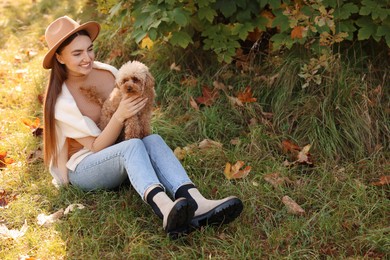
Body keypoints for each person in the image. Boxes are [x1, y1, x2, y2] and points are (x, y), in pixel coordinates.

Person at [42, 16, 243, 237]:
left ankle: (198, 202)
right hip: (84, 166)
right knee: (133, 146)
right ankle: (166, 210)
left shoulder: (108, 72)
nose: (87, 58)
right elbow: (96, 146)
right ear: (60, 58)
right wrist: (120, 116)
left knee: (152, 139)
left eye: (89, 49)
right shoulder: (62, 101)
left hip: (116, 148)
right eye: (77, 53)